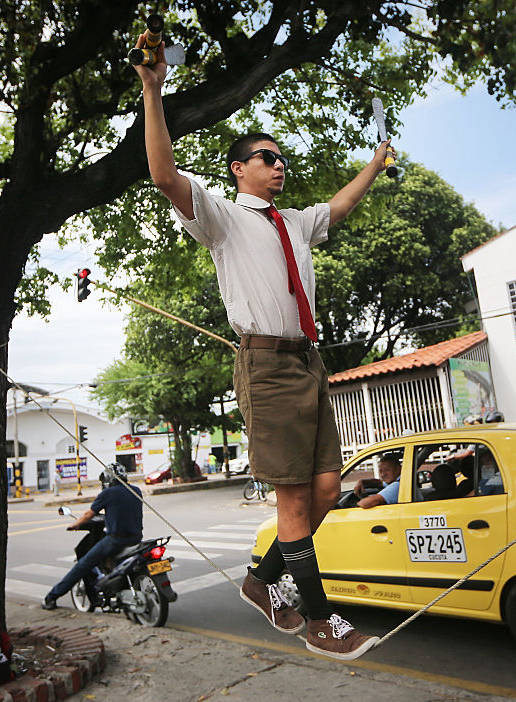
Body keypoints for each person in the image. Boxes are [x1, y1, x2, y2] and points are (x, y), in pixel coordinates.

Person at [133, 36, 390, 660]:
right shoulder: (223, 218)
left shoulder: (297, 221)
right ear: (238, 169)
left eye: (281, 160)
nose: (279, 166)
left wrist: (375, 164)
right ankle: (320, 620)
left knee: (329, 487)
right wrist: (152, 90)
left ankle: (261, 578)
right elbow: (163, 174)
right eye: (266, 158)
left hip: (310, 363)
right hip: (267, 365)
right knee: (295, 497)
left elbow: (340, 205)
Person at [42, 464, 143, 610]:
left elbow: (89, 514)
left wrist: (75, 524)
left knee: (82, 565)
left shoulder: (108, 493)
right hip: (136, 539)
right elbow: (122, 510)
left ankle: (51, 597)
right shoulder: (136, 490)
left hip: (115, 540)